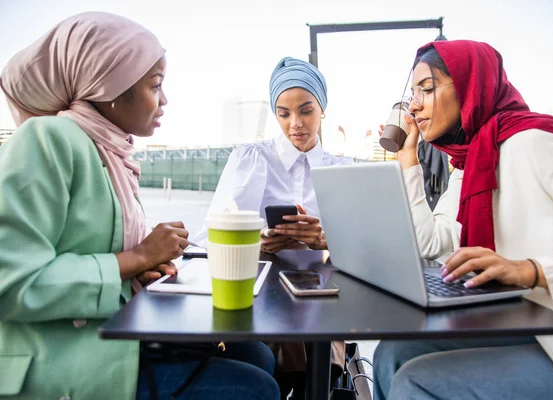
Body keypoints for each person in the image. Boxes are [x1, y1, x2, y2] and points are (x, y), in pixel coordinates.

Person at [0, 12, 278, 400]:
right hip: (58, 359)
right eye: (156, 85)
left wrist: (137, 275)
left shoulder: (109, 152)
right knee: (255, 387)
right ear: (110, 85)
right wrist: (137, 257)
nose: (164, 99)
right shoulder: (47, 139)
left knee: (257, 354)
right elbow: (11, 282)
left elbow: (90, 253)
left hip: (110, 337)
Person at [373, 40, 553, 400]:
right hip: (525, 321)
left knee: (415, 380)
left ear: (469, 86)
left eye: (427, 89)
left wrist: (532, 270)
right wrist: (408, 159)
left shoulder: (535, 141)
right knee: (391, 354)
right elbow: (429, 242)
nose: (414, 105)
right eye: (412, 92)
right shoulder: (471, 163)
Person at [194, 57, 350, 399]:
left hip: (321, 289)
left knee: (316, 344)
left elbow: (365, 247)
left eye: (306, 110)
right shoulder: (251, 158)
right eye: (283, 113)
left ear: (322, 108)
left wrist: (324, 238)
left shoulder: (342, 170)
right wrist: (258, 237)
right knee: (289, 355)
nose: (295, 123)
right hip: (262, 285)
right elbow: (214, 235)